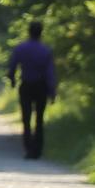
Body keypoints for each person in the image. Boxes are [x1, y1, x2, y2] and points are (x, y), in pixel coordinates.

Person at [7, 21, 57, 159]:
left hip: (26, 85)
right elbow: (50, 73)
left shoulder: (21, 48)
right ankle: (38, 149)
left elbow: (12, 66)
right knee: (39, 119)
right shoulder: (45, 50)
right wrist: (52, 91)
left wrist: (12, 80)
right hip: (41, 86)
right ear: (41, 32)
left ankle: (28, 148)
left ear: (29, 32)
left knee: (26, 118)